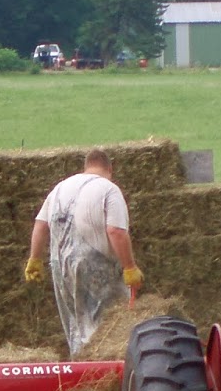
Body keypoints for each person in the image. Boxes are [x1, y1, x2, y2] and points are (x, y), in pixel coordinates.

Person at [24, 148, 144, 356]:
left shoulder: (60, 188)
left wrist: (34, 259)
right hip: (95, 265)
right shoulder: (109, 189)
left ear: (86, 167)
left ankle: (80, 368)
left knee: (76, 325)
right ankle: (105, 370)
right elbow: (115, 231)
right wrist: (130, 267)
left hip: (60, 267)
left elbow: (40, 225)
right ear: (110, 169)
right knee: (108, 327)